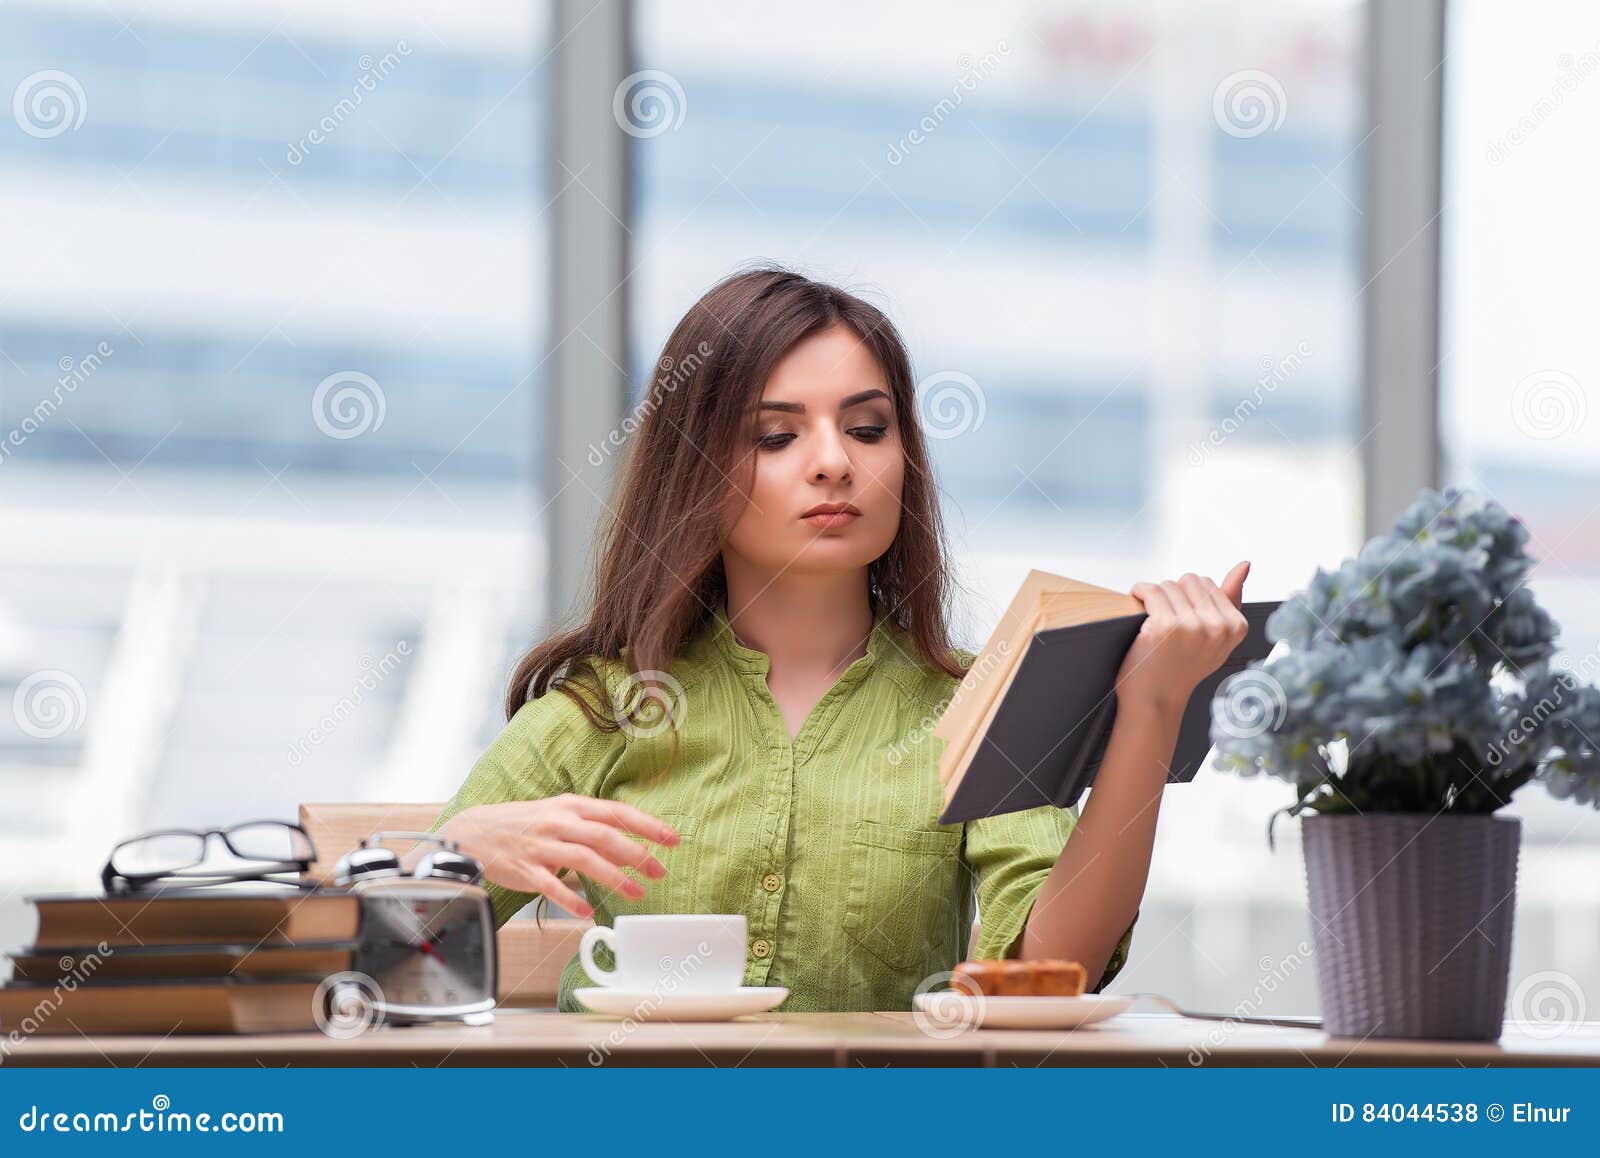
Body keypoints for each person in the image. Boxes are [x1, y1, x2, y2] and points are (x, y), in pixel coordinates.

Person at [426, 265, 1251, 1012]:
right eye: (776, 436)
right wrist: (457, 853)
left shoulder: (977, 702)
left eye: (867, 429)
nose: (833, 463)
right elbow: (387, 966)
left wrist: (1152, 706)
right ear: (695, 471)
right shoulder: (604, 707)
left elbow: (1054, 966)